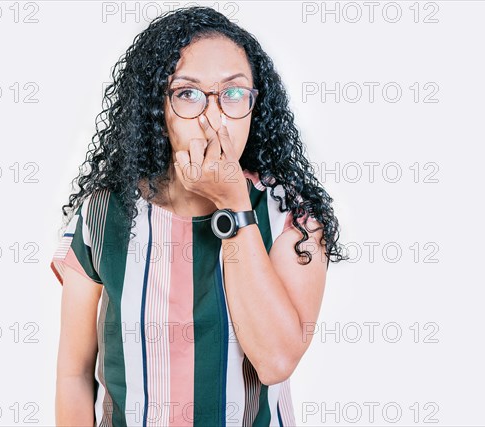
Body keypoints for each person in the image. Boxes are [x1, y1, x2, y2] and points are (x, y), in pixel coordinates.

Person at [50, 6, 346, 427]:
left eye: (233, 93)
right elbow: (74, 375)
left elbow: (276, 361)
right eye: (188, 93)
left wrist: (234, 207)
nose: (212, 117)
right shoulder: (101, 213)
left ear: (255, 105)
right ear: (158, 109)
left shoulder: (293, 217)